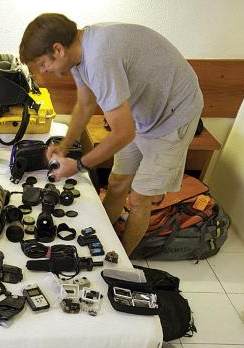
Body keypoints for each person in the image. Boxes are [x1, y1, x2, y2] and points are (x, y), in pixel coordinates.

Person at [19, 13, 203, 254]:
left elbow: (123, 134)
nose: (45, 72)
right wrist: (64, 146)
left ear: (58, 49)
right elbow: (85, 105)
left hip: (173, 116)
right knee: (117, 182)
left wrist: (78, 165)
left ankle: (121, 260)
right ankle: (102, 239)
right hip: (141, 114)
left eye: (44, 64)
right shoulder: (78, 52)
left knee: (139, 199)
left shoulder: (98, 59)